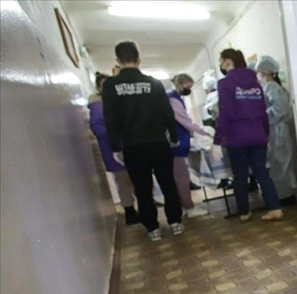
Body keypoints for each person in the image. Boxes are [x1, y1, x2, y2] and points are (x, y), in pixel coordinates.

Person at [102, 40, 184, 241]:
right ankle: (175, 222)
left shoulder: (111, 86)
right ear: (139, 59)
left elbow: (111, 118)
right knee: (167, 182)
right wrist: (173, 136)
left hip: (133, 145)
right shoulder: (153, 83)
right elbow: (166, 113)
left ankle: (152, 228)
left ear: (118, 61)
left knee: (142, 187)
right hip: (158, 142)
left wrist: (115, 146)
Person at [213, 48, 283, 222]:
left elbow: (226, 113)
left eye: (221, 61)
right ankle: (275, 209)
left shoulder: (225, 84)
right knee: (262, 173)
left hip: (237, 138)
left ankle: (244, 212)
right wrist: (264, 134)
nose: (221, 65)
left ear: (228, 62)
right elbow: (262, 112)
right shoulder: (255, 83)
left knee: (240, 176)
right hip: (258, 135)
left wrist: (217, 140)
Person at [88, 72, 139, 225]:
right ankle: (130, 212)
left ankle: (137, 209)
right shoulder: (98, 105)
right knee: (124, 181)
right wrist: (119, 137)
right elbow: (98, 127)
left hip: (125, 148)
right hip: (115, 151)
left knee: (132, 180)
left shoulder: (114, 102)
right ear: (99, 88)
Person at [255, 55, 297, 206]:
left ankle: (283, 196)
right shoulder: (274, 87)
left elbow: (279, 108)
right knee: (280, 163)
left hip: (276, 130)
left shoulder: (271, 87)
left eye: (260, 72)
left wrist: (262, 116)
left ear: (266, 72)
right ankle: (284, 195)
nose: (259, 75)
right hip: (276, 130)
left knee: (279, 164)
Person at [167, 73, 211, 218]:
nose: (189, 89)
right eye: (188, 86)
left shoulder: (173, 97)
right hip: (175, 144)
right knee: (181, 176)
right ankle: (188, 207)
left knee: (178, 176)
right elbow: (184, 120)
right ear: (180, 83)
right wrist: (202, 132)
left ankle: (184, 206)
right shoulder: (173, 99)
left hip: (177, 141)